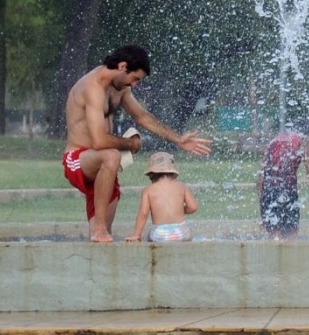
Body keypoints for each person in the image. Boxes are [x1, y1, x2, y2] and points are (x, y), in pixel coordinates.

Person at [63, 44, 212, 243]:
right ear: (123, 66)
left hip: (104, 169)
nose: (135, 85)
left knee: (103, 240)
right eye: (135, 79)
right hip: (79, 159)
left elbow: (142, 117)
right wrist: (130, 145)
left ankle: (100, 233)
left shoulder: (120, 88)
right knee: (111, 155)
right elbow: (99, 141)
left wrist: (178, 139)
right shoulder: (93, 87)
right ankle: (99, 228)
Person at [258, 128, 309, 240]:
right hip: (288, 193)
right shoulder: (302, 141)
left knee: (273, 238)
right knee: (290, 239)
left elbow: (261, 178)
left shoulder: (273, 142)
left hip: (268, 194)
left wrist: (262, 208)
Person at [123, 152, 198, 243]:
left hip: (160, 233)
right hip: (181, 232)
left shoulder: (148, 190)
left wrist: (136, 235)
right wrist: (179, 210)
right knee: (189, 235)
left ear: (151, 175)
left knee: (149, 236)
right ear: (173, 173)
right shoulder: (181, 187)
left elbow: (143, 213)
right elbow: (193, 207)